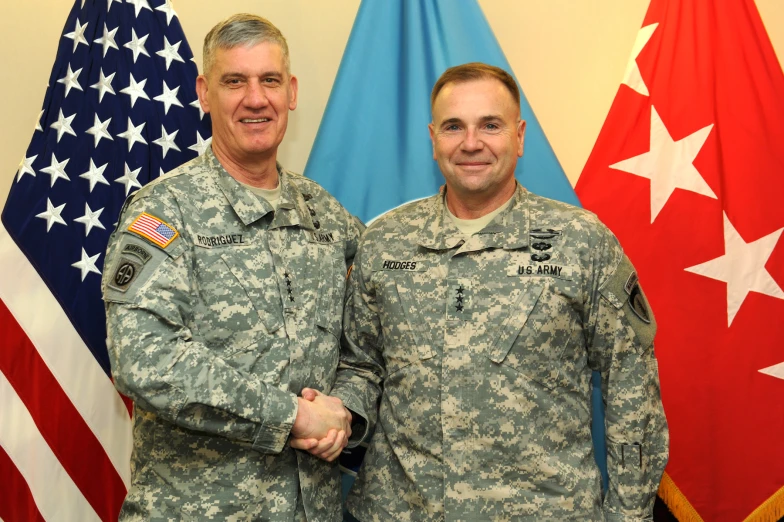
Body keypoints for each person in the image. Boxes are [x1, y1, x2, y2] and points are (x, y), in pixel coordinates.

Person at [325, 63, 669, 520]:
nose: (471, 143)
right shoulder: (385, 242)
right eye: (453, 127)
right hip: (401, 510)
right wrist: (337, 416)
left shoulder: (581, 242)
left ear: (520, 135)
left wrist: (629, 515)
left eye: (490, 125)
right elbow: (361, 365)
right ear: (433, 138)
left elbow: (632, 385)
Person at [102, 14, 361, 521]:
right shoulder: (162, 213)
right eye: (234, 81)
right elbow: (145, 360)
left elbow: (368, 339)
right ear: (204, 91)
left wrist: (344, 410)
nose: (255, 98)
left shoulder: (327, 217)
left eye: (269, 80)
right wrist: (292, 416)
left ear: (291, 92)